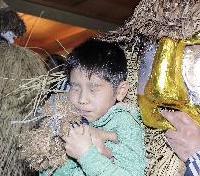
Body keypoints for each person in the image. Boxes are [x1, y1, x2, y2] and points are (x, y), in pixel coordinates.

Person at [40, 39, 146, 176]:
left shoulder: (124, 123)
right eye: (75, 88)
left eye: (94, 89)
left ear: (120, 91)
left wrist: (86, 154)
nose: (82, 99)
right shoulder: (67, 118)